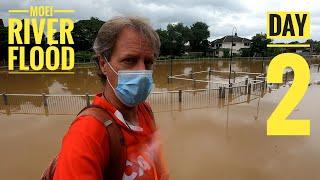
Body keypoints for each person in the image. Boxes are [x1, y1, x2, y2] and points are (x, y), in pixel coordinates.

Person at [53, 16, 169, 180]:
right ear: (103, 64)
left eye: (148, 62)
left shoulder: (144, 109)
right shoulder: (87, 134)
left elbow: (160, 167)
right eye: (130, 60)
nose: (142, 71)